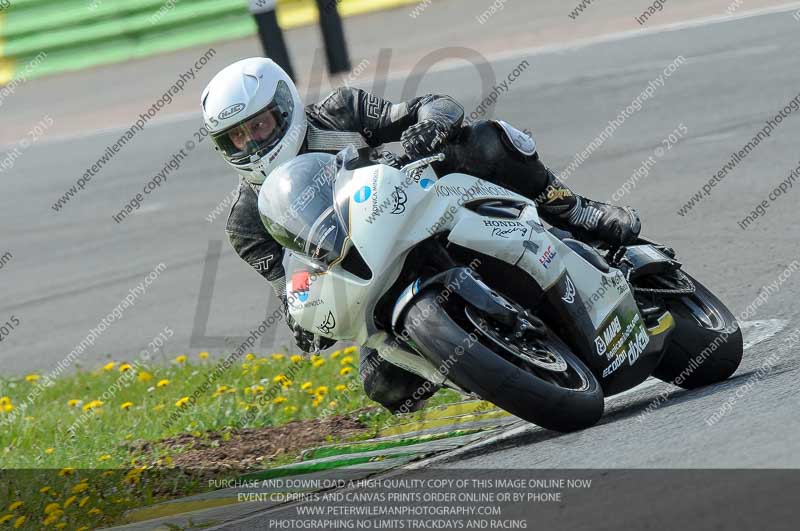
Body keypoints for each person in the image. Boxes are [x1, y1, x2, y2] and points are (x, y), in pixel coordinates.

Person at [201, 57, 640, 413]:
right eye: (236, 137)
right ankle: (485, 363)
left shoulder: (339, 111)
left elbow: (433, 105)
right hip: (367, 281)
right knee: (384, 386)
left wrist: (430, 125)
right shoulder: (246, 223)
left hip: (417, 207)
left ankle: (573, 209)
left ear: (284, 108)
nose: (251, 143)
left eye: (258, 126)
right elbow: (287, 288)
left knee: (483, 141)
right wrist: (304, 321)